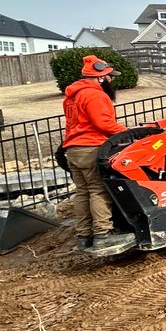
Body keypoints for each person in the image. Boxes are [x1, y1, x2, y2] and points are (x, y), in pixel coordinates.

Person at [62, 56, 128, 252]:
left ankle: (84, 236)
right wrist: (128, 132)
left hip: (73, 149)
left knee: (82, 192)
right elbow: (103, 123)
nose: (111, 81)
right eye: (110, 77)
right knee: (98, 190)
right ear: (100, 78)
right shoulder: (95, 95)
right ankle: (103, 234)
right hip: (91, 147)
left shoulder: (72, 96)